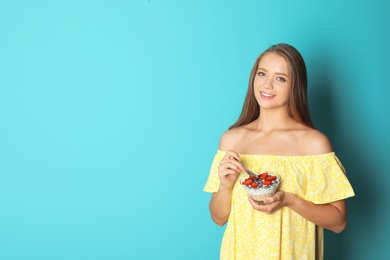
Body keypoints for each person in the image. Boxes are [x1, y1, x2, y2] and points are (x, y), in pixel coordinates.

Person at [203, 43, 355, 260]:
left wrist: (289, 200)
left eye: (280, 78)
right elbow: (218, 218)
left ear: (295, 86)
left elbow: (339, 222)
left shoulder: (314, 144)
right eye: (262, 74)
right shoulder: (232, 140)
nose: (267, 85)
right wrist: (226, 186)